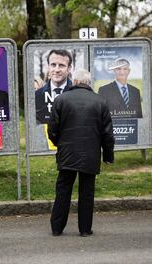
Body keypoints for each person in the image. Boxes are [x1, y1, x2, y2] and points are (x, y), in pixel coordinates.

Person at [48, 69, 114, 237]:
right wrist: (108, 155)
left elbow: (52, 129)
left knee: (63, 189)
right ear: (88, 83)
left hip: (67, 152)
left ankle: (57, 228)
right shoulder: (100, 101)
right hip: (90, 154)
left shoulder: (61, 99)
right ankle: (85, 229)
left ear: (74, 81)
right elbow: (107, 133)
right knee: (87, 191)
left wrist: (59, 144)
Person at [35, 49, 73, 124]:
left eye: (61, 65)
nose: (57, 69)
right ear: (48, 67)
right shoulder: (37, 95)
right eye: (53, 65)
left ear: (69, 68)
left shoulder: (76, 94)